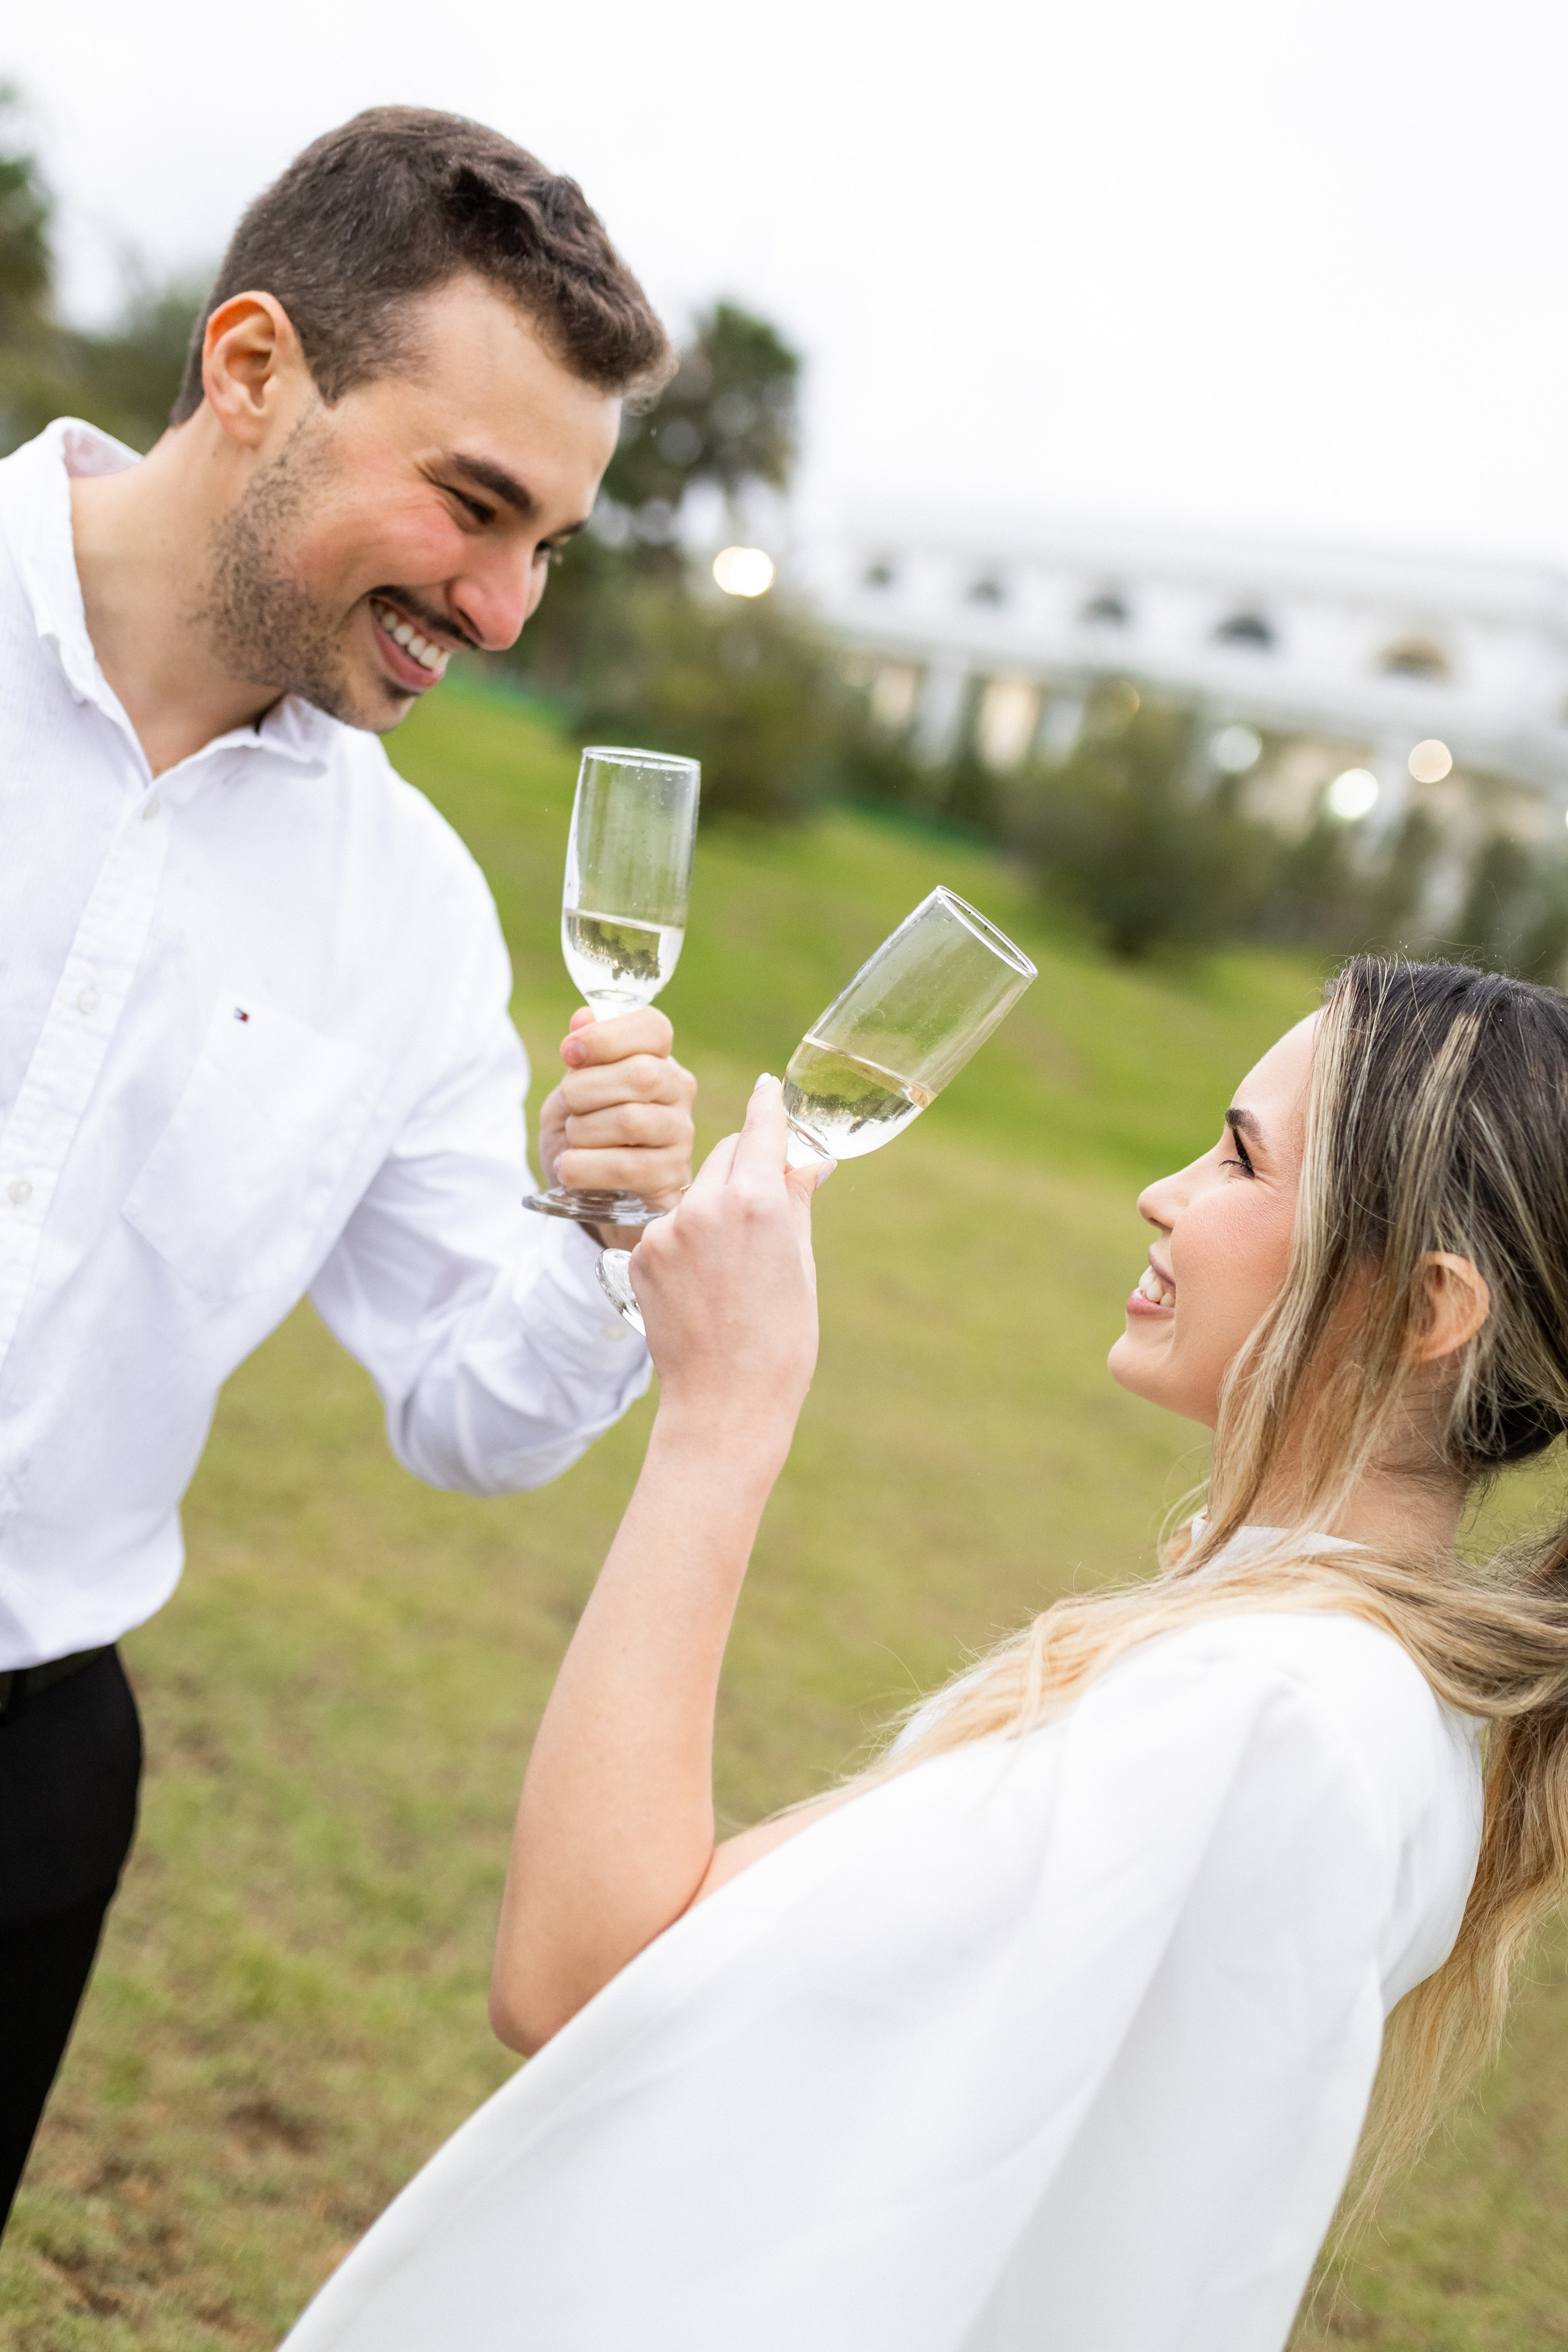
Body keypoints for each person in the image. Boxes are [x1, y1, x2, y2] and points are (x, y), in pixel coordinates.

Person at [283, 957, 1568, 2352]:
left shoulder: (1258, 1710)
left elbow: (585, 1973)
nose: (1166, 1192)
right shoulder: (1343, 1689)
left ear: (1423, 1312)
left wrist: (725, 1410)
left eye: (1239, 1163)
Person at [0, 107, 697, 2228]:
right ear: (249, 373)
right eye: (473, 503)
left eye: (549, 544)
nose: (499, 603)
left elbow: (473, 1415)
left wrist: (601, 1226)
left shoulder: (408, 921)